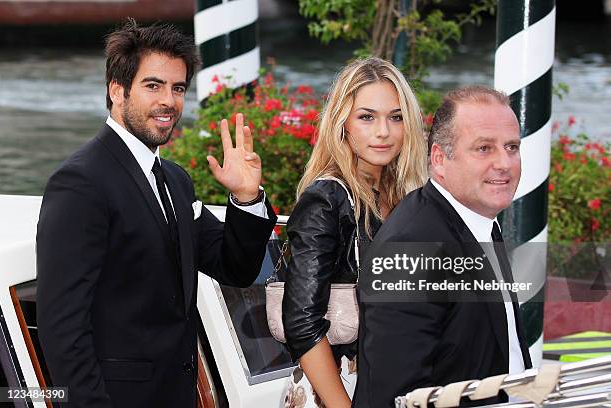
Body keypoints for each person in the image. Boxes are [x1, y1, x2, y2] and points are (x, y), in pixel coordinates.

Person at [36, 20, 276, 407]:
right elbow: (61, 324)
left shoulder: (176, 181)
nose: (169, 101)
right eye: (153, 86)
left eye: (178, 88)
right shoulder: (80, 182)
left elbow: (235, 268)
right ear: (117, 90)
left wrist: (247, 199)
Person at [352, 86, 533, 407]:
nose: (504, 163)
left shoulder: (479, 222)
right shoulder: (412, 247)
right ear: (439, 159)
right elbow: (400, 395)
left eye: (511, 147)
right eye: (483, 148)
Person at [282, 57, 428, 408]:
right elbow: (302, 323)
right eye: (367, 117)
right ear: (342, 123)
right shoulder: (326, 200)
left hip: (399, 384)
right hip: (342, 388)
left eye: (396, 117)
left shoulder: (407, 197)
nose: (384, 131)